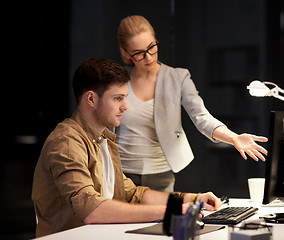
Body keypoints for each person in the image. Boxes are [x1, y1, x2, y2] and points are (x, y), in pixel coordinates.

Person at [31, 58, 221, 237]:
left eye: (125, 97)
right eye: (117, 98)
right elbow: (92, 210)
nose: (125, 106)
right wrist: (173, 211)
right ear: (91, 99)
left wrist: (193, 200)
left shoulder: (102, 138)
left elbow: (132, 194)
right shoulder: (67, 142)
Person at [115, 15, 268, 192]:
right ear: (126, 53)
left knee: (160, 218)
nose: (148, 57)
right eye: (139, 53)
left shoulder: (178, 77)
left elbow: (201, 116)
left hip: (160, 173)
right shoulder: (117, 80)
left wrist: (233, 138)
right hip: (121, 172)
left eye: (151, 47)